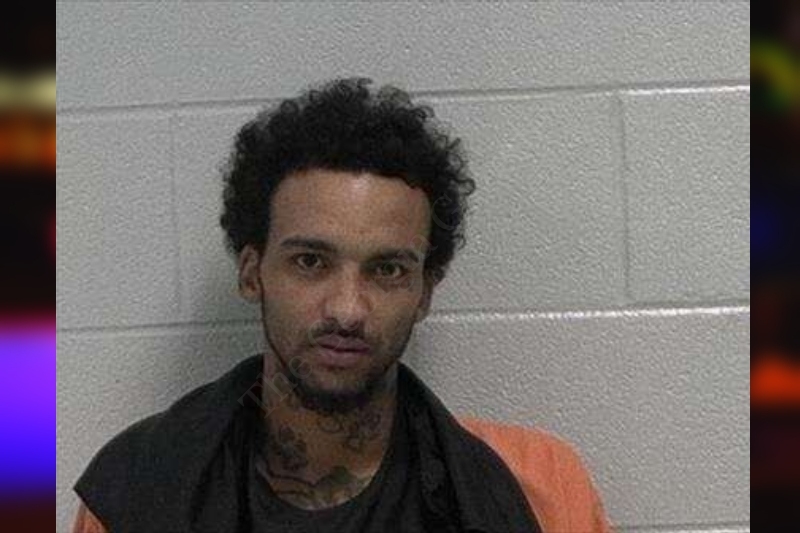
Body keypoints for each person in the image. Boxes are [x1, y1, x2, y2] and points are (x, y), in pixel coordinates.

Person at [71, 78, 612, 533]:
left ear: (425, 291)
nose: (348, 310)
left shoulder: (538, 490)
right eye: (310, 261)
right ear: (252, 273)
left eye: (387, 270)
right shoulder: (139, 488)